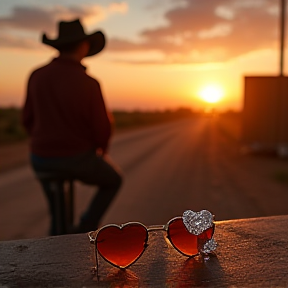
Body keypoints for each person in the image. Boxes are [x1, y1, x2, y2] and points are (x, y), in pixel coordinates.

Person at [22, 19, 122, 235]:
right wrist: (100, 151)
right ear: (83, 46)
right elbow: (102, 127)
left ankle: (58, 237)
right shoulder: (88, 83)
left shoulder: (36, 75)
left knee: (57, 216)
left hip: (41, 159)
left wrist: (43, 142)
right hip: (78, 158)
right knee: (113, 180)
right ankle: (85, 228)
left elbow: (27, 119)